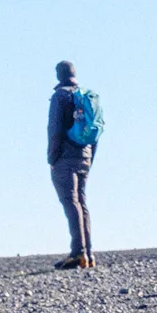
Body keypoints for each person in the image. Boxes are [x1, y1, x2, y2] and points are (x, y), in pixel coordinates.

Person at [47, 59, 96, 270]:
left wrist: (52, 158)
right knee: (81, 202)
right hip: (84, 156)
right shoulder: (84, 96)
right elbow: (96, 132)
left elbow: (55, 130)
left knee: (71, 201)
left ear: (59, 75)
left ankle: (78, 253)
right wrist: (90, 157)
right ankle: (87, 254)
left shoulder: (60, 96)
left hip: (65, 157)